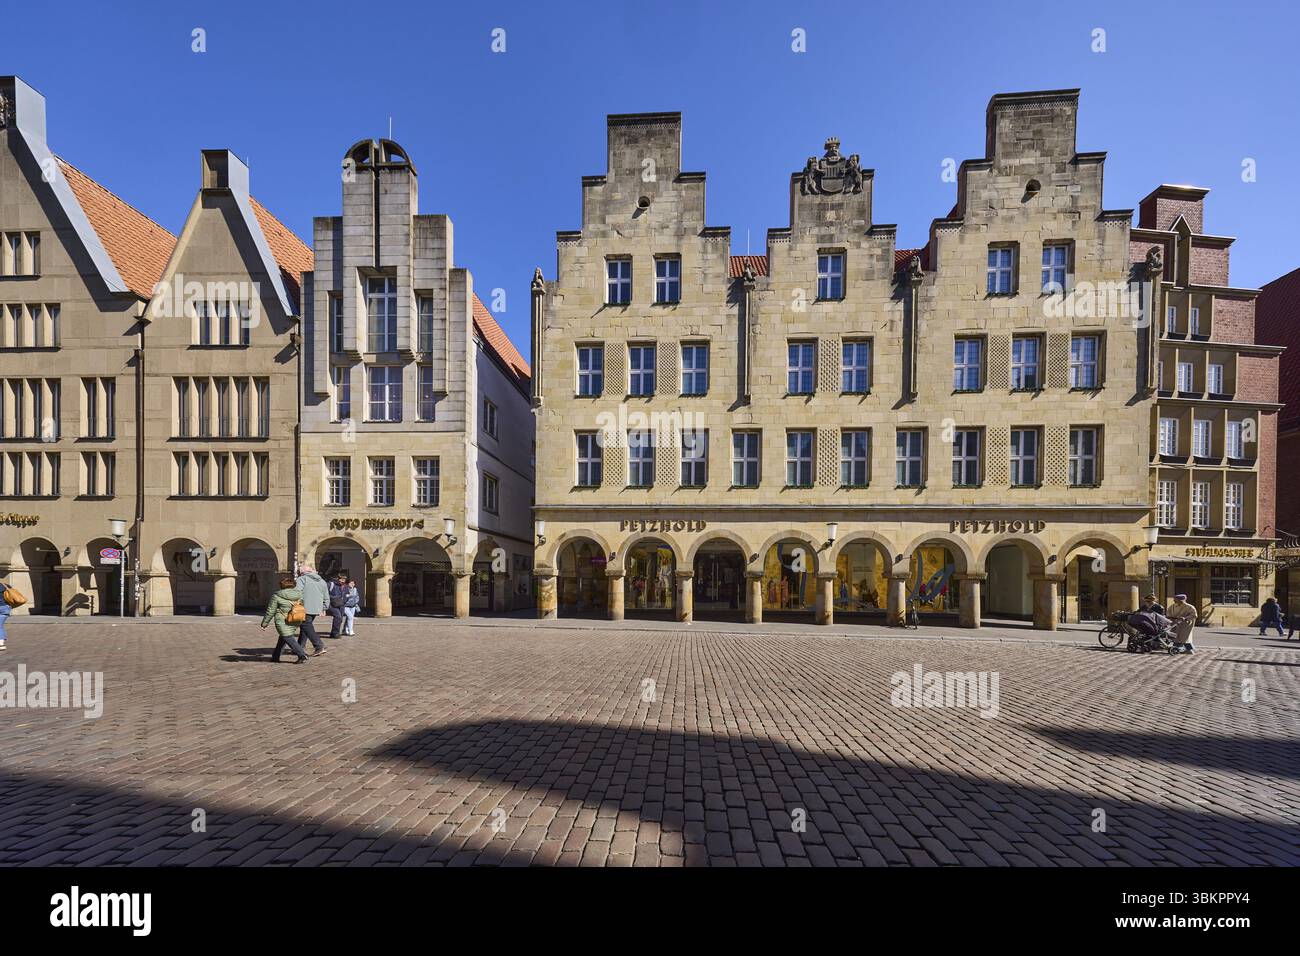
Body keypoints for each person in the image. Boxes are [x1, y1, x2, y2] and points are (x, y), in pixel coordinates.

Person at [262, 576, 310, 664]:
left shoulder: (276, 595)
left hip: (282, 620)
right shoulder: (299, 594)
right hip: (296, 618)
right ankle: (275, 657)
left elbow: (271, 610)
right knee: (283, 637)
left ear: (282, 586)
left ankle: (302, 655)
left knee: (287, 637)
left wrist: (264, 623)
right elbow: (302, 605)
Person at [294, 564, 329, 657]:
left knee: (306, 626)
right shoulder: (322, 581)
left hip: (304, 607)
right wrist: (324, 608)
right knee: (305, 627)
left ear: (302, 572)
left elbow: (297, 592)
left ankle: (319, 646)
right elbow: (326, 596)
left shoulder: (302, 579)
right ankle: (299, 647)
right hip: (316, 608)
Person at [327, 572, 348, 638]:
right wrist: (335, 598)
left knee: (340, 619)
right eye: (342, 579)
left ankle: (334, 633)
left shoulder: (345, 586)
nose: (343, 580)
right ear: (338, 578)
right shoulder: (331, 584)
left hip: (341, 604)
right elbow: (325, 593)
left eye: (344, 579)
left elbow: (347, 594)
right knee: (338, 616)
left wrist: (345, 599)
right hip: (332, 604)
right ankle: (335, 633)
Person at [0, 581, 11, 651]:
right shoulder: (4, 585)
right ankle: (1, 643)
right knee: (0, 626)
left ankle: (1, 644)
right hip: (5, 608)